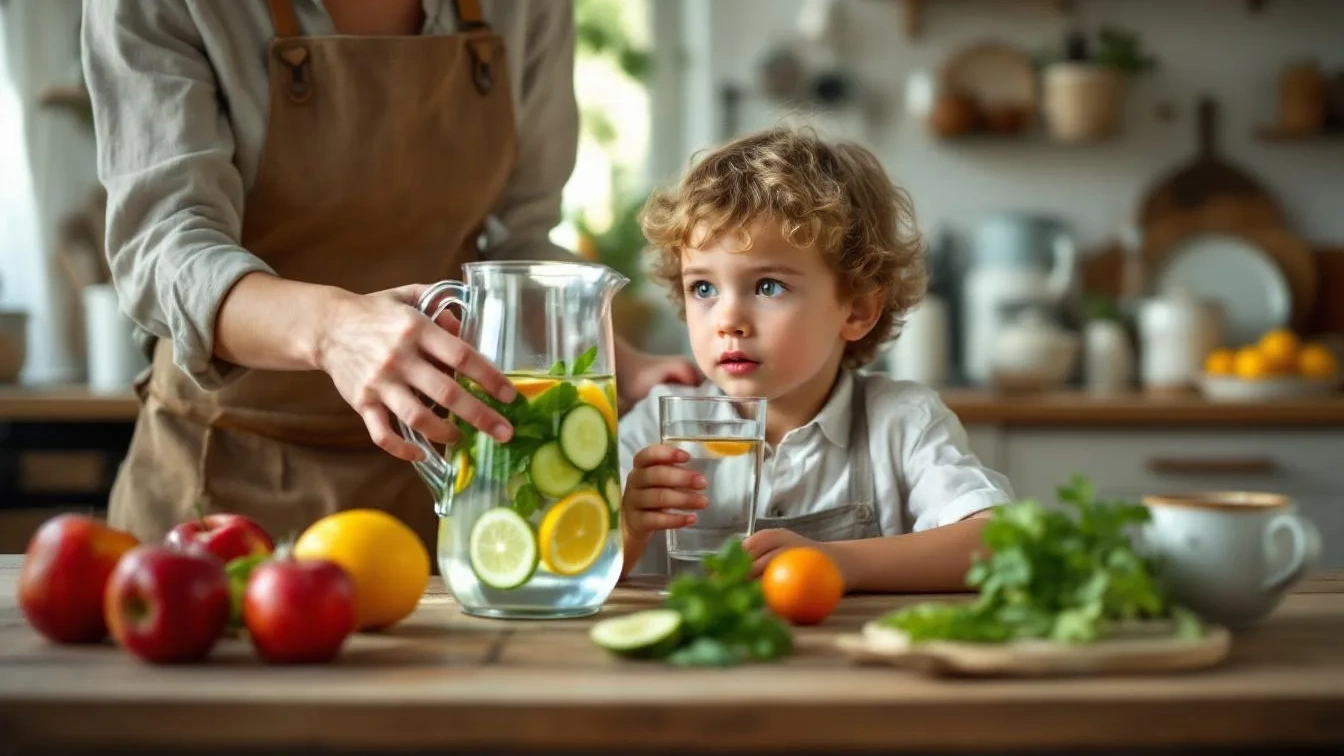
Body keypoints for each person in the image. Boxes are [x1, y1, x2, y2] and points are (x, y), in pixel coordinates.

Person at [81, 0, 696, 552]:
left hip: (444, 476)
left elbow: (523, 240)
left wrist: (616, 353)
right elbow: (164, 249)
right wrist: (333, 329)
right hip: (221, 485)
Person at [617, 127, 1015, 593]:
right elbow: (561, 565)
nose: (727, 320)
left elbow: (998, 543)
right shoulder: (657, 429)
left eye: (768, 286)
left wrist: (838, 560)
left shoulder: (902, 423)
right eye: (703, 288)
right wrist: (627, 528)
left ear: (858, 309)